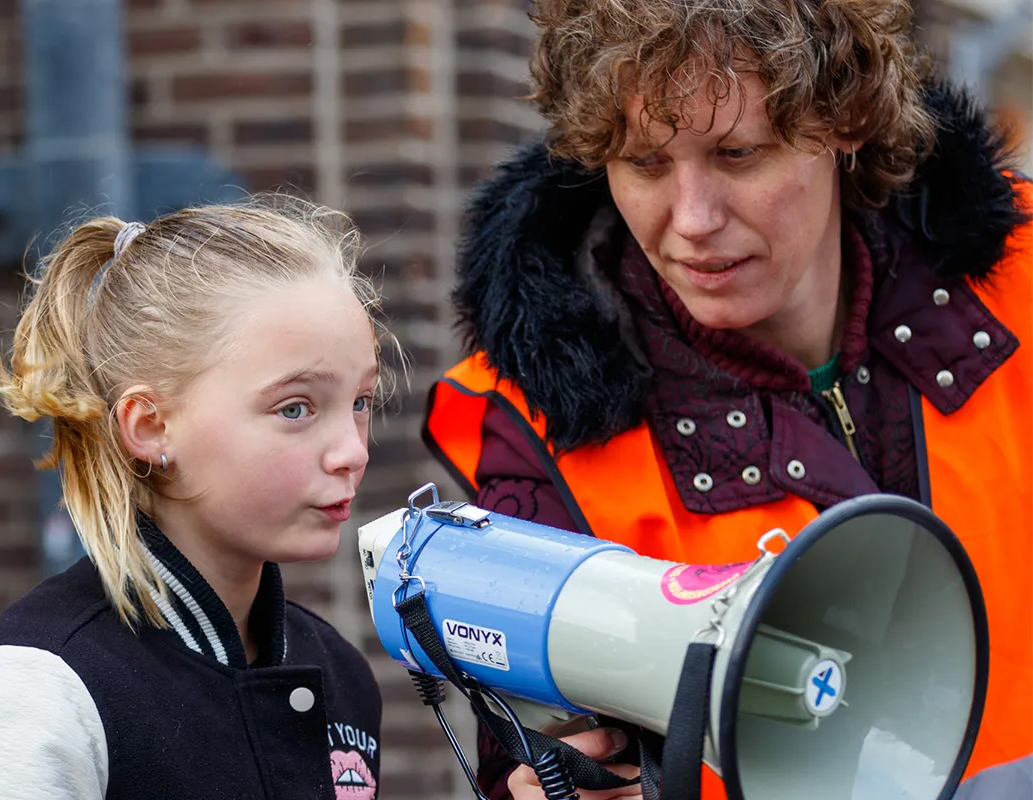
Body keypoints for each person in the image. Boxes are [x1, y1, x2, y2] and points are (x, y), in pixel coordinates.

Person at [422, 0, 1032, 798]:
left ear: (846, 121)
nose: (693, 220)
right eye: (644, 163)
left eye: (738, 153)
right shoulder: (534, 424)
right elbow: (532, 759)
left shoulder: (1017, 280)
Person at [0, 199, 388, 799]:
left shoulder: (340, 672)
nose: (351, 451)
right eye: (295, 408)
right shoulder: (37, 689)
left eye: (360, 401)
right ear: (150, 427)